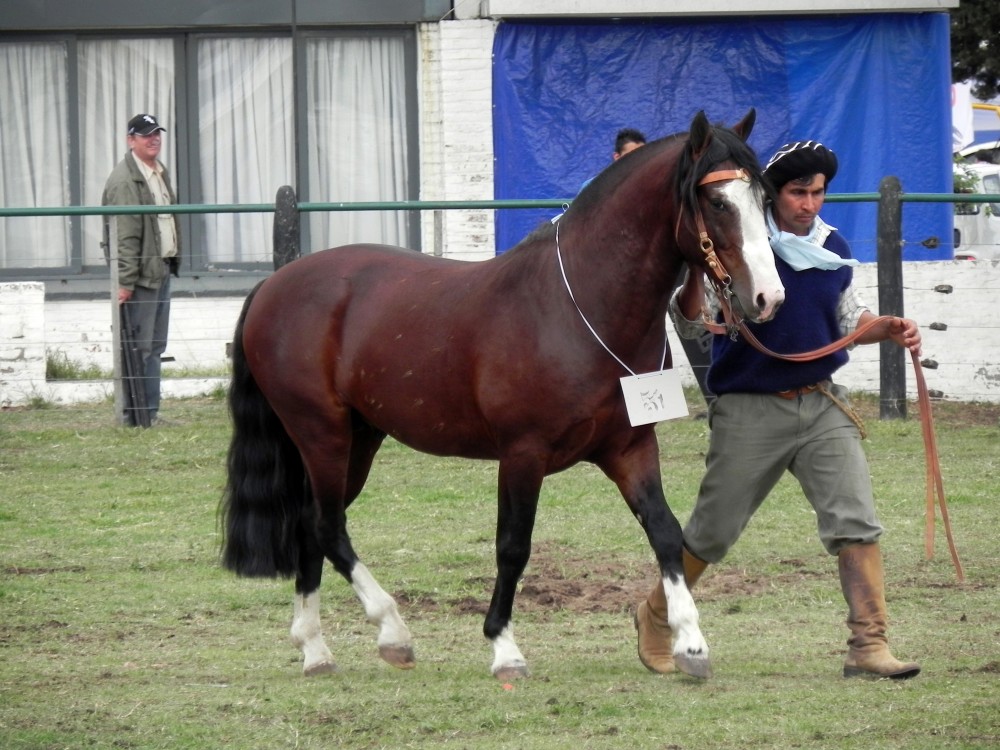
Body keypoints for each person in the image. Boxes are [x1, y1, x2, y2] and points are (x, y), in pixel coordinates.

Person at [634, 140, 922, 680]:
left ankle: (869, 645)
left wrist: (884, 327)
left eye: (817, 193)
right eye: (797, 192)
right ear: (772, 193)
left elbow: (846, 316)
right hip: (749, 409)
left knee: (855, 522)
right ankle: (655, 614)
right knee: (712, 532)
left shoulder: (830, 245)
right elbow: (695, 317)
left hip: (820, 404)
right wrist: (696, 273)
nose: (809, 204)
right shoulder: (740, 241)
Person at [102, 113, 180, 425]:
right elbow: (125, 234)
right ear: (130, 140)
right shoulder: (125, 180)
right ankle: (135, 414)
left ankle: (150, 412)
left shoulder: (158, 173)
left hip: (159, 270)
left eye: (156, 133)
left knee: (154, 346)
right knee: (139, 346)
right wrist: (124, 281)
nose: (154, 139)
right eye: (146, 134)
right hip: (141, 276)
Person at [579, 128, 647, 191]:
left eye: (641, 155)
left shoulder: (652, 185)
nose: (637, 160)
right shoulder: (592, 187)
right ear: (617, 157)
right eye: (631, 156)